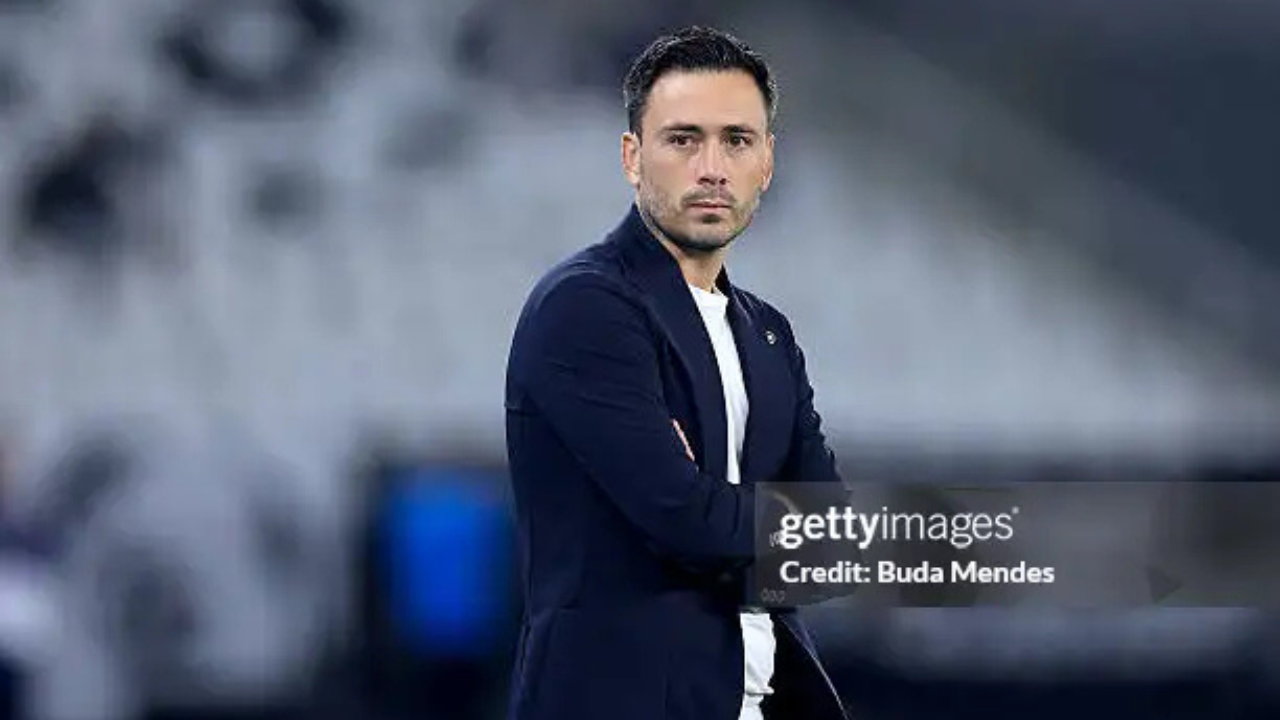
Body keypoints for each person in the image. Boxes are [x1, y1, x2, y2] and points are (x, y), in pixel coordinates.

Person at [504, 26, 850, 720]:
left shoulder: (769, 333)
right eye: (684, 140)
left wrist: (723, 516)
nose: (712, 168)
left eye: (737, 141)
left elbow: (831, 545)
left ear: (767, 163)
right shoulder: (586, 307)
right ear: (632, 158)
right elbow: (684, 520)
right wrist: (758, 523)